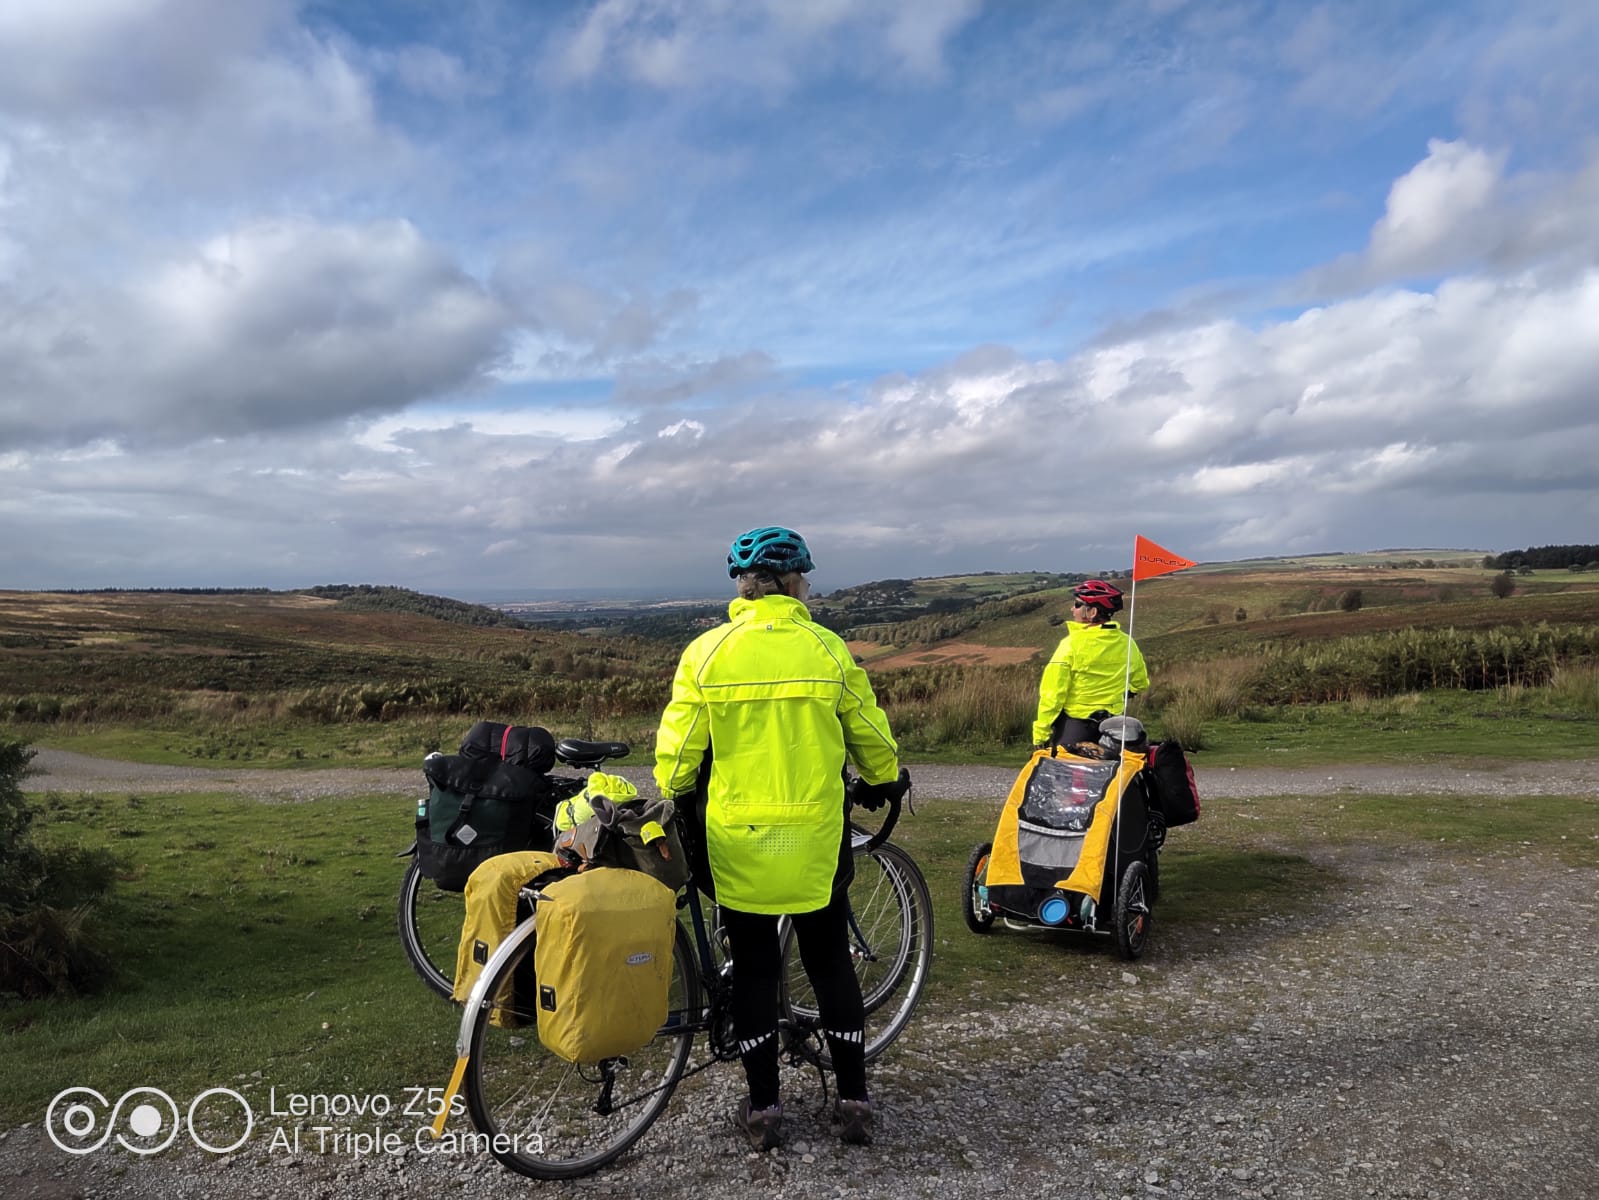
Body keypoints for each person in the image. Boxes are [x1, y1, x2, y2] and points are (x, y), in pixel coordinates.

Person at [654, 526, 906, 1151]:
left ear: (743, 585)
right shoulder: (826, 649)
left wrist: (675, 789)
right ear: (794, 582)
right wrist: (884, 779)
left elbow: (678, 760)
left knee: (759, 973)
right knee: (828, 966)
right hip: (816, 841)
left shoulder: (707, 653)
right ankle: (853, 1101)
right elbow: (870, 735)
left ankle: (764, 1109)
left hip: (738, 842)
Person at [1031, 578, 1149, 750]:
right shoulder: (1127, 643)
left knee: (1065, 774)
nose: (1073, 609)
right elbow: (1141, 683)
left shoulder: (1069, 645)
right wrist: (1124, 693)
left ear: (1092, 612)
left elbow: (1052, 696)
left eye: (1078, 605)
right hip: (1114, 726)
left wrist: (1040, 734)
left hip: (1076, 727)